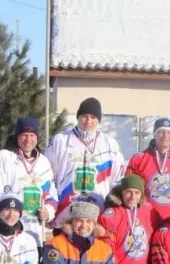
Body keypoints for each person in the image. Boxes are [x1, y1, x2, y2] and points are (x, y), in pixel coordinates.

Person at [46, 97, 126, 228]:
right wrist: (50, 208)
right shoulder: (60, 141)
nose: (88, 121)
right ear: (78, 117)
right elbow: (48, 177)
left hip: (98, 217)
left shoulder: (110, 144)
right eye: (84, 116)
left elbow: (117, 180)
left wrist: (113, 209)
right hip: (65, 214)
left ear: (98, 120)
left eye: (93, 117)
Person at [0, 116, 59, 248]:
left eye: (32, 135)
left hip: (36, 232)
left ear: (37, 138)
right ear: (17, 137)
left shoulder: (43, 162)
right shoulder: (5, 157)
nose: (28, 140)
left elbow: (52, 195)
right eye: (24, 135)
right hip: (10, 231)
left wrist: (48, 212)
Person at [124, 117, 170, 229]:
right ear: (154, 134)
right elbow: (127, 189)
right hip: (144, 219)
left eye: (169, 132)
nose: (165, 136)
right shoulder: (138, 159)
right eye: (161, 132)